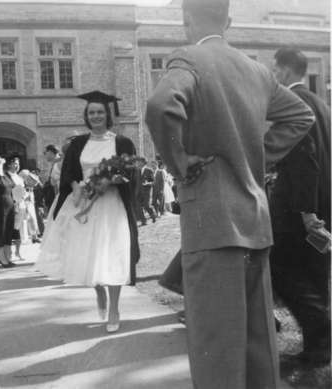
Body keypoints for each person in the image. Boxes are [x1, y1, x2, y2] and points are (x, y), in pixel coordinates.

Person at [145, 0, 315, 388]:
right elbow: (300, 116)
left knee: (216, 348)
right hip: (255, 219)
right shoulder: (257, 70)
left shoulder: (187, 59)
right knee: (258, 345)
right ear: (230, 22)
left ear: (185, 20)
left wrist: (179, 161)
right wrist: (257, 154)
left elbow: (160, 105)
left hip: (211, 220)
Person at [36, 90, 140, 333]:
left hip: (112, 205)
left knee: (112, 253)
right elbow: (69, 173)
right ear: (86, 115)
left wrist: (111, 181)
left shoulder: (122, 143)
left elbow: (130, 173)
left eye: (100, 112)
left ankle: (114, 307)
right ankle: (99, 291)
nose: (96, 116)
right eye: (91, 112)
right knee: (89, 253)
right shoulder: (78, 144)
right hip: (84, 203)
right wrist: (75, 188)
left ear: (108, 114)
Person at [270, 47, 331, 366]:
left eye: (274, 70)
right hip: (323, 204)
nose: (273, 76)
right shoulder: (322, 104)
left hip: (297, 209)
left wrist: (307, 212)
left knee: (281, 269)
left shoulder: (294, 104)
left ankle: (321, 334)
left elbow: (304, 160)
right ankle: (318, 348)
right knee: (316, 273)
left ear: (285, 71)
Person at [5, 156, 26, 259]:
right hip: (12, 205)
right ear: (9, 164)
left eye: (18, 164)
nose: (17, 166)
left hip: (21, 204)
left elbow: (23, 190)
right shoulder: (6, 176)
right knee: (11, 229)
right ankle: (9, 253)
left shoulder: (19, 177)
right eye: (15, 163)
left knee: (18, 228)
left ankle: (18, 252)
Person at [19, 169, 41, 243]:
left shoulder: (29, 180)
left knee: (32, 219)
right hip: (23, 202)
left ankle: (34, 236)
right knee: (24, 220)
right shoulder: (19, 183)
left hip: (29, 201)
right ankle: (24, 238)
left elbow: (36, 182)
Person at [135, 158, 156, 226]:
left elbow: (154, 182)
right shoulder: (137, 170)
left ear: (143, 162)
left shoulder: (149, 170)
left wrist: (148, 183)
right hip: (138, 192)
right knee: (138, 206)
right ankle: (143, 221)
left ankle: (153, 215)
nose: (138, 163)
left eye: (139, 162)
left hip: (146, 191)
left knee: (146, 206)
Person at [42, 145, 62, 211]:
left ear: (50, 152)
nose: (44, 155)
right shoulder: (53, 164)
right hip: (52, 196)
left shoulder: (59, 163)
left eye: (45, 153)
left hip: (57, 197)